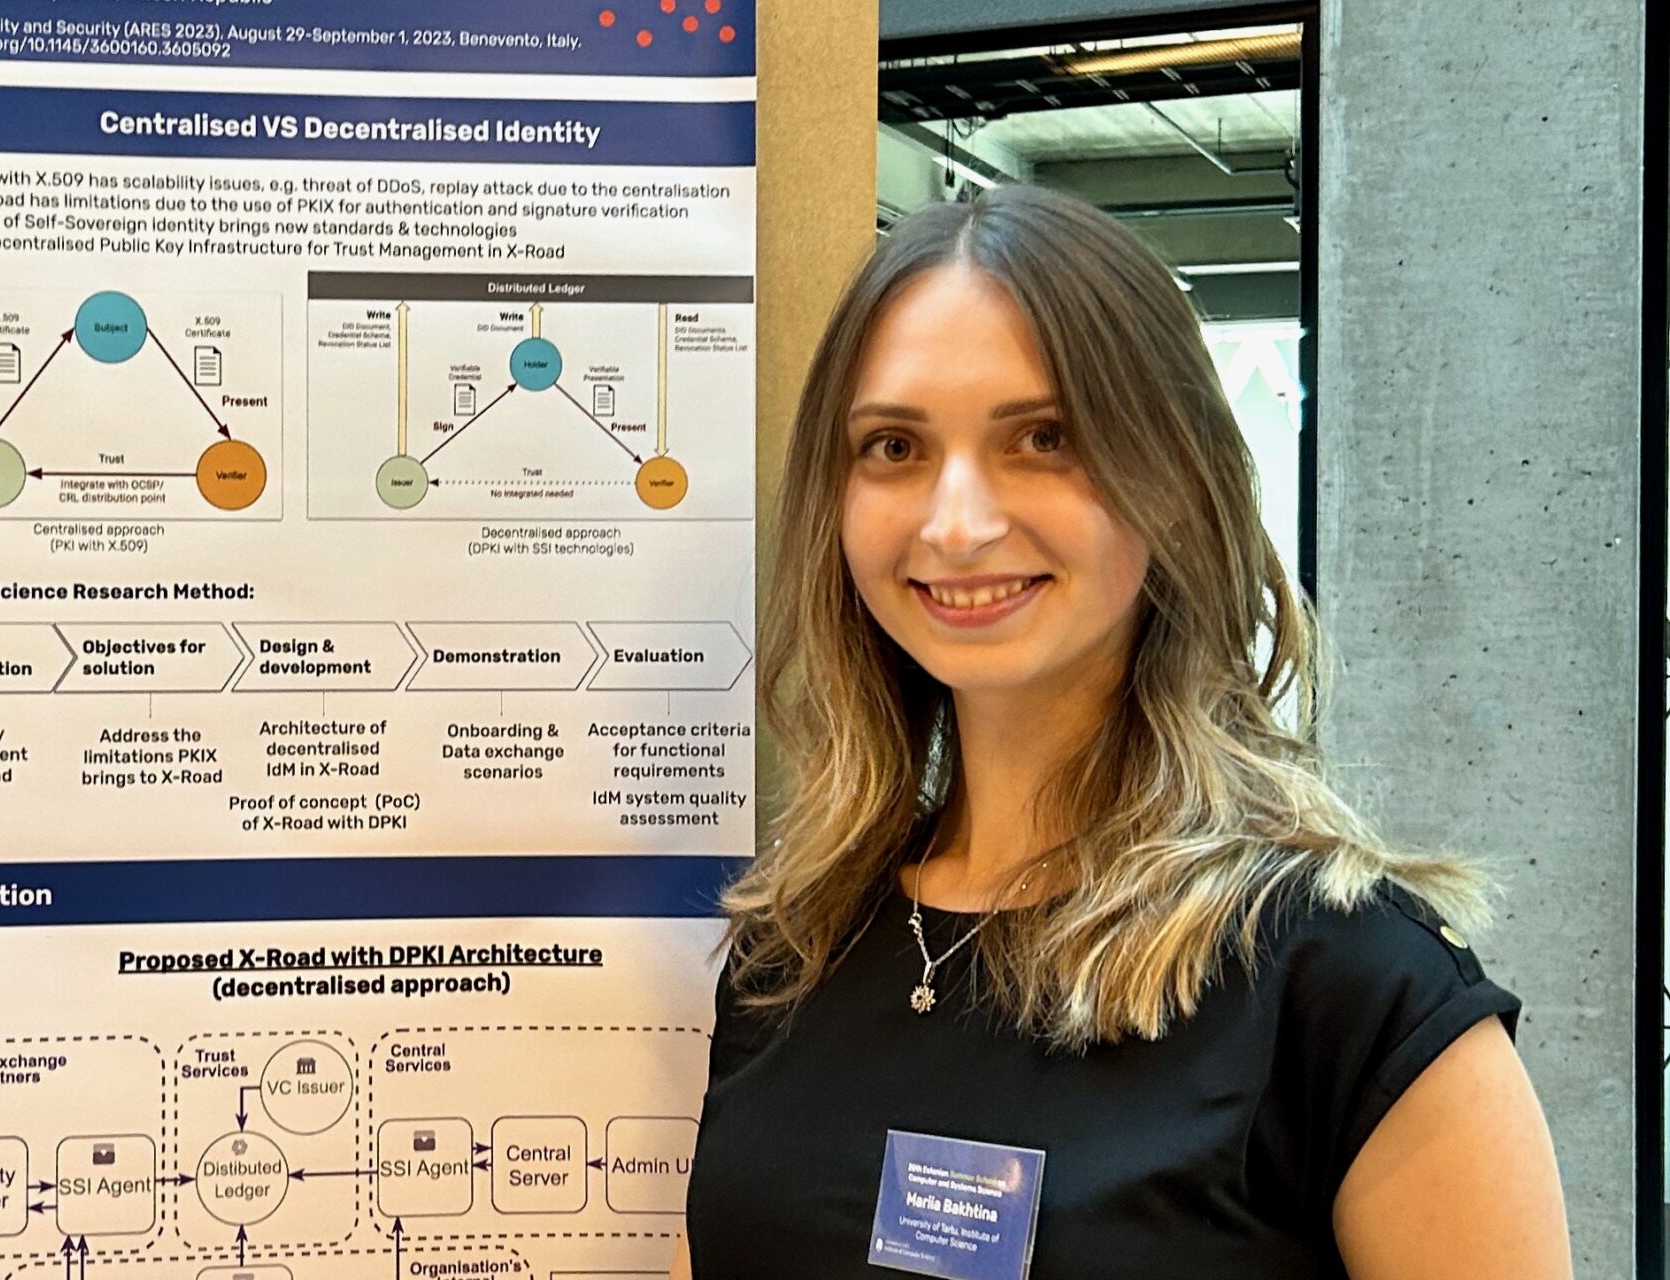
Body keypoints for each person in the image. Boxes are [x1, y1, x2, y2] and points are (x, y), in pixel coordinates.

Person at [672, 183, 1570, 1278]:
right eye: (894, 446)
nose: (956, 524)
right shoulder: (793, 948)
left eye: (1042, 437)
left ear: (1176, 479)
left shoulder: (1349, 987)